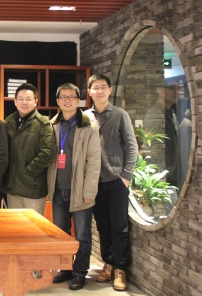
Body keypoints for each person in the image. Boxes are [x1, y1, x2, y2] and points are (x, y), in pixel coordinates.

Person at [85, 74, 138, 292]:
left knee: (119, 227)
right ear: (89, 92)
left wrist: (126, 176)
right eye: (95, 88)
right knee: (103, 226)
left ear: (109, 90)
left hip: (116, 180)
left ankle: (120, 269)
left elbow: (132, 146)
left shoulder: (120, 115)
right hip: (94, 181)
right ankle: (107, 264)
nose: (99, 91)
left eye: (103, 87)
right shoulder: (85, 116)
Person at [47, 84, 101, 291]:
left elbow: (94, 161)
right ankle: (65, 269)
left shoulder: (89, 126)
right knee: (61, 234)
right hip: (58, 188)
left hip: (80, 190)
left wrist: (89, 191)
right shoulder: (52, 125)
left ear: (78, 100)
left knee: (82, 236)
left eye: (71, 97)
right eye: (63, 97)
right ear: (58, 101)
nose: (67, 100)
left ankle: (79, 272)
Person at [4, 83, 57, 215]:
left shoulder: (43, 123)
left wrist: (28, 172)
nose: (24, 102)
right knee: (14, 226)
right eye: (21, 99)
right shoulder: (8, 122)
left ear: (35, 102)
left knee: (34, 226)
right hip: (12, 189)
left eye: (28, 99)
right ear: (15, 101)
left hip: (33, 189)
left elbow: (49, 153)